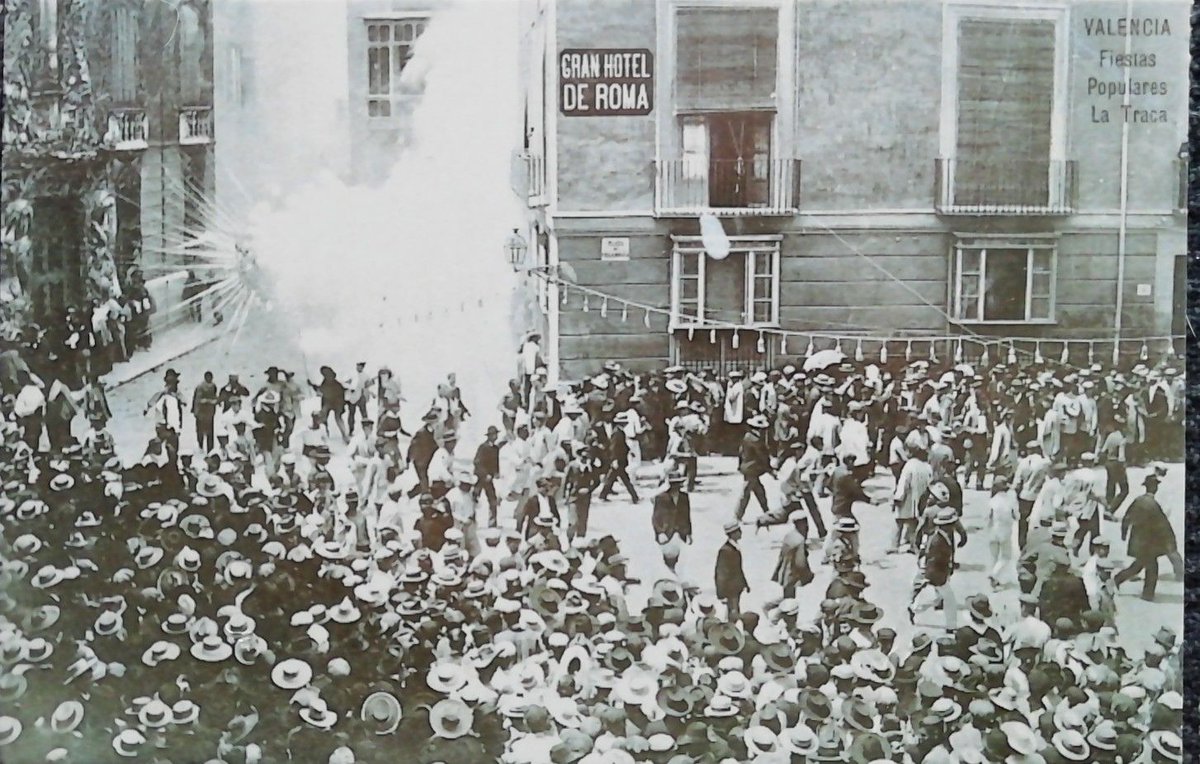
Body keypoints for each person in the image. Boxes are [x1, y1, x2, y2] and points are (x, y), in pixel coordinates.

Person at [1114, 474, 1182, 601]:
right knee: (1151, 568)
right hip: (1149, 543)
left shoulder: (1138, 500)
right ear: (1154, 488)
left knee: (1138, 566)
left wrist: (1124, 532)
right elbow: (1163, 526)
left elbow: (1127, 517)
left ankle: (1118, 579)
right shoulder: (1153, 505)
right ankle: (1147, 594)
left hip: (1138, 542)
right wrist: (1170, 543)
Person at [892, 445, 932, 554]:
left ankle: (894, 545)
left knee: (899, 521)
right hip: (920, 498)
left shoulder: (909, 466)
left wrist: (898, 497)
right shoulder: (926, 467)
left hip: (907, 498)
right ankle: (913, 545)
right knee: (914, 522)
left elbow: (903, 483)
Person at [1011, 441, 1049, 549]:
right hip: (1039, 496)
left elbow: (1017, 482)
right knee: (1038, 522)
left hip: (1025, 495)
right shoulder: (1044, 463)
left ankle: (1022, 544)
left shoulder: (1023, 463)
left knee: (1023, 521)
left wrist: (1016, 495)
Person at [734, 415, 771, 521]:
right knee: (746, 493)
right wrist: (769, 469)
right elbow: (762, 455)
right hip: (752, 468)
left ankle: (766, 511)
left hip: (748, 467)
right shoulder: (755, 440)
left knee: (759, 490)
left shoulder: (747, 436)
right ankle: (737, 516)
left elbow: (741, 452)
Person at [772, 511, 814, 598]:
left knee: (786, 596)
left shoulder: (789, 535)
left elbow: (781, 555)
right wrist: (808, 576)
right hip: (792, 574)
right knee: (790, 600)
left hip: (784, 571)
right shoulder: (799, 540)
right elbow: (800, 563)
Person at [986, 476, 1018, 587]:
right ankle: (994, 575)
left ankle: (993, 579)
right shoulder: (1011, 501)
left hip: (993, 531)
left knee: (993, 557)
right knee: (1006, 557)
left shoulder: (992, 501)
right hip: (1005, 532)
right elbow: (1017, 516)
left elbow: (987, 518)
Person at [715, 521, 749, 622]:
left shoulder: (734, 547)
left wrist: (745, 583)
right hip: (730, 589)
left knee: (734, 612)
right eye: (738, 531)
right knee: (733, 614)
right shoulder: (725, 550)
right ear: (733, 533)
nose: (741, 532)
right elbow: (721, 573)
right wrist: (721, 593)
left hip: (736, 587)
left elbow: (738, 569)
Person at [473, 426, 502, 527]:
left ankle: (493, 521)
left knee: (492, 499)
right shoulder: (483, 447)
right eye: (493, 435)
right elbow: (477, 462)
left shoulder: (496, 448)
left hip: (489, 478)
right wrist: (485, 474)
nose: (495, 436)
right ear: (489, 436)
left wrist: (496, 473)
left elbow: (495, 463)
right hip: (481, 478)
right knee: (473, 498)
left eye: (496, 434)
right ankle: (470, 519)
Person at [311, 366, 348, 442]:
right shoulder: (333, 383)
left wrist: (315, 387)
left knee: (331, 418)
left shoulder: (329, 382)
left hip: (333, 403)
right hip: (334, 403)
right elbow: (322, 391)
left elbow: (322, 391)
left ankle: (343, 435)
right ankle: (343, 435)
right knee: (335, 418)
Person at [192, 371, 219, 455]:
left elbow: (214, 396)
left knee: (210, 432)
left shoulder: (213, 386)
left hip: (209, 414)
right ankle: (200, 448)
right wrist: (196, 412)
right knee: (200, 432)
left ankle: (210, 450)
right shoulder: (200, 387)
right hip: (201, 413)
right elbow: (197, 400)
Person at [345, 361, 372, 435]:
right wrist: (350, 387)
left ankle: (366, 430)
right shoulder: (351, 374)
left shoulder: (365, 376)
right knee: (351, 414)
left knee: (364, 413)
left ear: (363, 367)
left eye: (360, 366)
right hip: (352, 396)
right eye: (358, 365)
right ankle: (351, 430)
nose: (358, 367)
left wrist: (370, 385)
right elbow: (345, 383)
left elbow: (367, 385)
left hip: (360, 395)